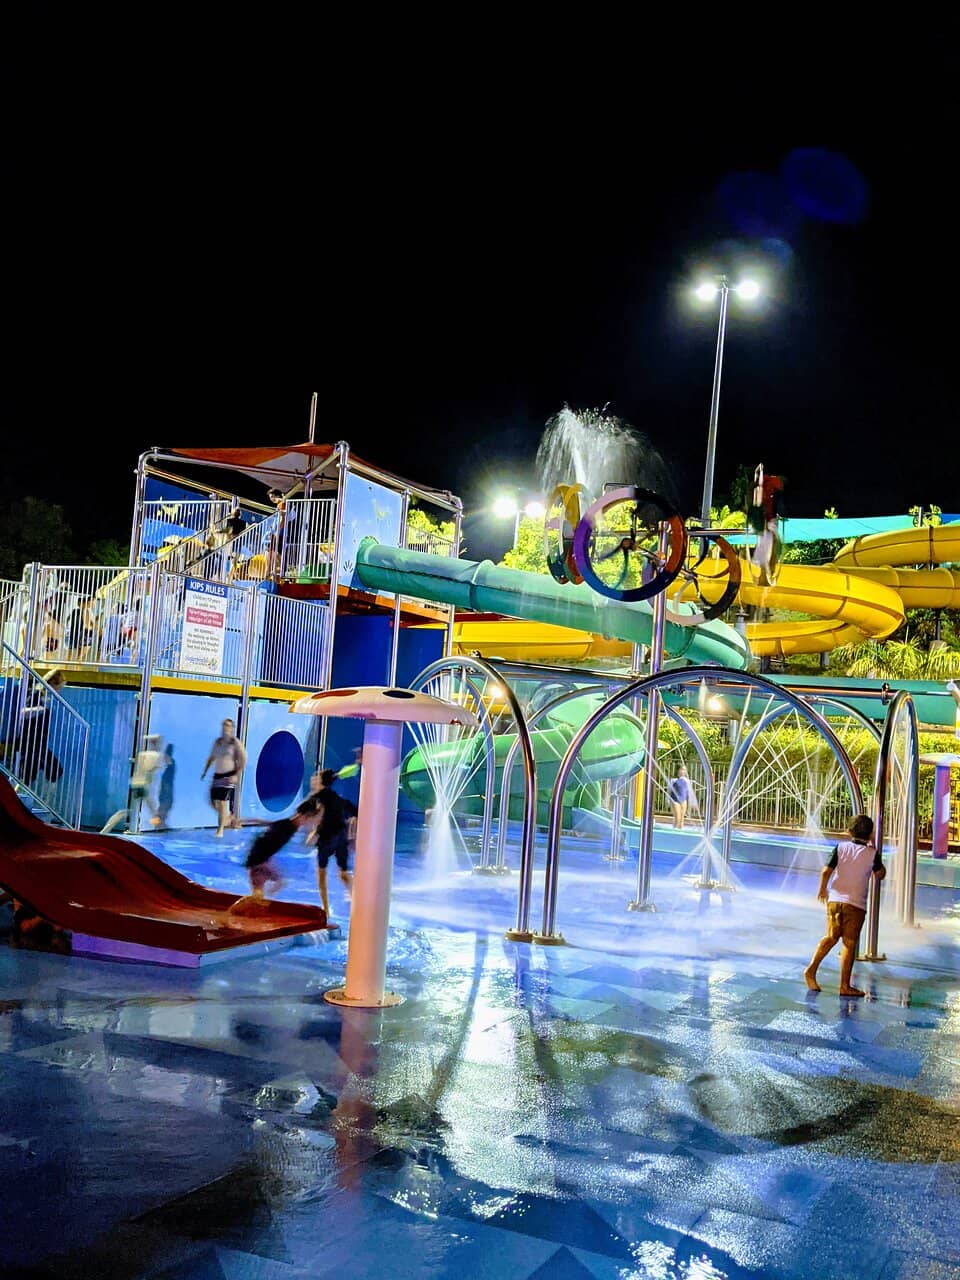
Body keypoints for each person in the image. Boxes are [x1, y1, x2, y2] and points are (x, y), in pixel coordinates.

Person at [804, 814, 886, 997]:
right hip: (856, 904)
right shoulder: (872, 854)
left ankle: (811, 969)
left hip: (835, 900)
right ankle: (844, 986)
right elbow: (880, 874)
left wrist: (822, 890)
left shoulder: (840, 848)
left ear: (849, 832)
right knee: (849, 943)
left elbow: (826, 871)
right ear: (871, 834)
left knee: (831, 937)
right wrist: (875, 853)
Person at [238, 797, 321, 903]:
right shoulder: (286, 828)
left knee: (270, 887)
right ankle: (236, 910)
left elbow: (267, 836)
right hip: (257, 861)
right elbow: (263, 843)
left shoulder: (288, 825)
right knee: (263, 892)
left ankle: (260, 904)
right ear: (307, 816)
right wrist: (263, 863)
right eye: (314, 819)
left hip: (258, 860)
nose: (314, 823)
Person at [308, 768, 358, 919]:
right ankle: (357, 899)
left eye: (316, 777)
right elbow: (356, 813)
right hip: (341, 839)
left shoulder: (318, 798)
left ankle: (325, 911)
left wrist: (314, 833)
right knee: (343, 873)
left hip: (327, 839)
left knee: (321, 876)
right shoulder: (340, 799)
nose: (313, 779)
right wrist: (353, 836)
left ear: (320, 781)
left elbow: (319, 815)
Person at [17, 669, 66, 791]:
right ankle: (45, 798)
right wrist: (39, 709)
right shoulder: (36, 694)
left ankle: (42, 798)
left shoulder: (45, 698)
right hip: (31, 742)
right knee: (52, 770)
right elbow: (22, 713)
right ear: (52, 684)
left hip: (39, 742)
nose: (59, 691)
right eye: (58, 687)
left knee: (29, 776)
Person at [201, 718, 248, 837]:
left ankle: (220, 830)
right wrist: (205, 771)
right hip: (217, 775)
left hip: (229, 775)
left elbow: (243, 759)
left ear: (232, 729)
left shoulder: (235, 743)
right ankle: (228, 818)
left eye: (228, 726)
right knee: (212, 802)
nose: (225, 728)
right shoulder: (218, 742)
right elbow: (211, 757)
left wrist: (236, 774)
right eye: (224, 726)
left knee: (222, 803)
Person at [130, 734, 165, 826]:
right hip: (143, 785)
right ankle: (157, 823)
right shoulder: (156, 756)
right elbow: (152, 769)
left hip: (137, 783)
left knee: (136, 808)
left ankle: (155, 822)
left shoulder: (142, 755)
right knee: (151, 808)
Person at [156, 742, 176, 828]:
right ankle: (158, 826)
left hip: (166, 796)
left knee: (160, 814)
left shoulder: (171, 764)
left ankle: (159, 826)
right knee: (160, 814)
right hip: (165, 797)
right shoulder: (168, 767)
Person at [668, 764, 693, 829]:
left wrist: (692, 803)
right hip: (675, 800)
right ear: (678, 770)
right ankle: (674, 833)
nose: (683, 771)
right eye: (682, 769)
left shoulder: (687, 781)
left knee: (682, 819)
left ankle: (680, 834)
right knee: (677, 818)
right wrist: (668, 800)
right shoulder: (673, 780)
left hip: (684, 800)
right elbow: (669, 791)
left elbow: (689, 792)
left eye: (684, 770)